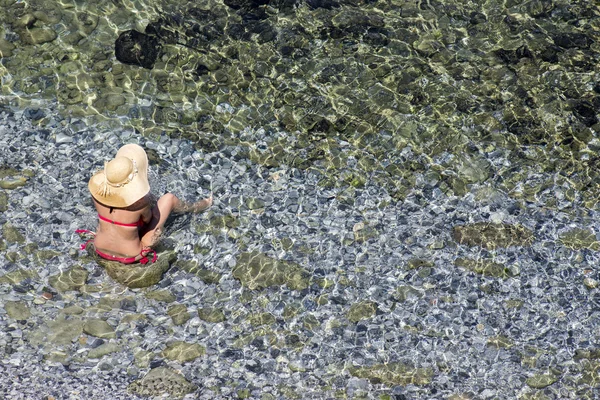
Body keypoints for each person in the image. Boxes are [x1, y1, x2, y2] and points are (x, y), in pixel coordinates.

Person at [79, 143, 212, 264]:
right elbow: (148, 220)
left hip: (100, 247)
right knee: (169, 199)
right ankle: (199, 206)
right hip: (132, 255)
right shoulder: (140, 202)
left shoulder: (97, 195)